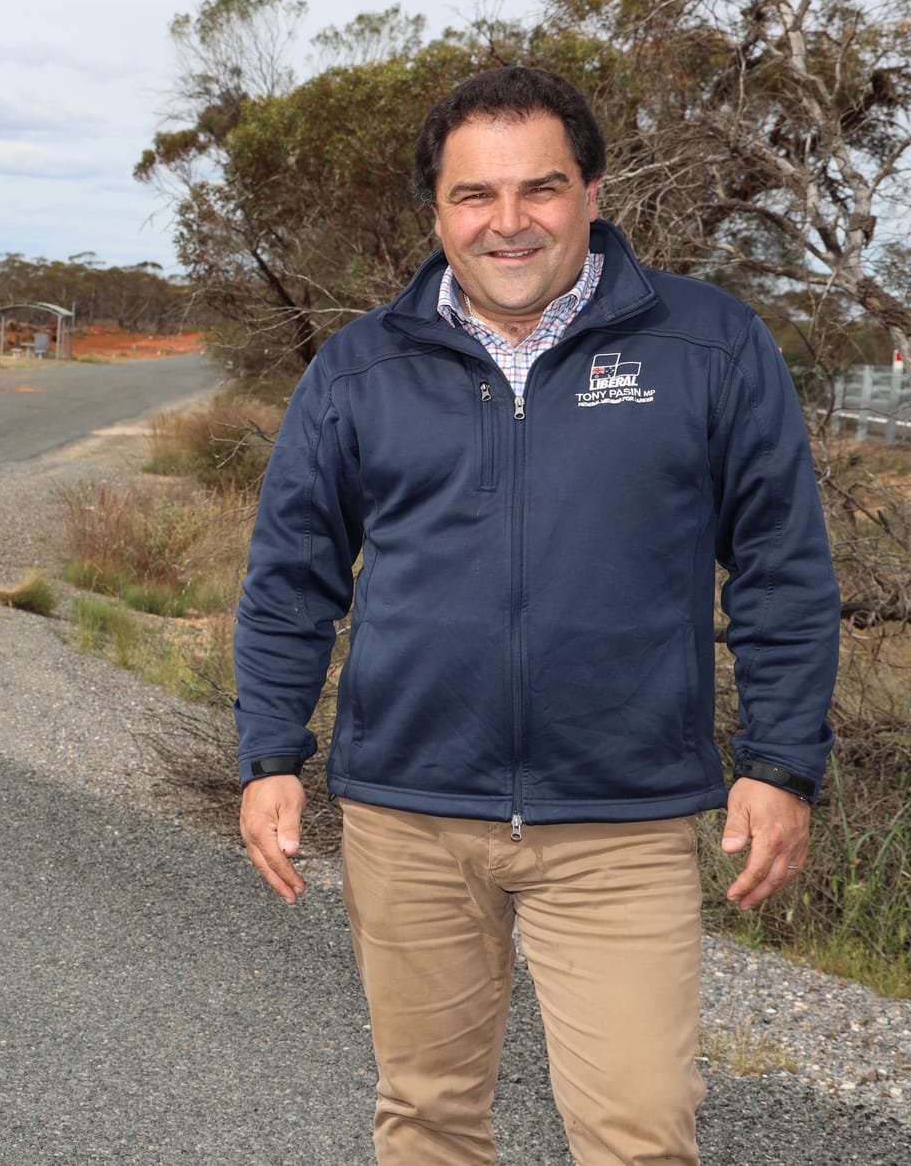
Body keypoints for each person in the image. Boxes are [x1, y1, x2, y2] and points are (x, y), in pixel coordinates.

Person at [232, 65, 840, 1164]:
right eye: (474, 194)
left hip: (618, 819)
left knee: (640, 1130)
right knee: (426, 1119)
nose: (506, 222)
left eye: (539, 189)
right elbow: (289, 575)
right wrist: (269, 751)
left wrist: (780, 761)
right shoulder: (357, 369)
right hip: (406, 814)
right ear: (436, 210)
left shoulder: (707, 345)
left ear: (592, 193)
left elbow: (779, 566)